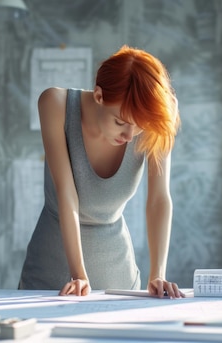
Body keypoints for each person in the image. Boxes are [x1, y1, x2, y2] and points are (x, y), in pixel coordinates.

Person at [18, 45, 183, 298]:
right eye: (120, 122)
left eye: (139, 127)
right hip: (51, 267)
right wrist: (79, 275)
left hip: (118, 270)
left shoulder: (158, 112)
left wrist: (157, 273)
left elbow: (159, 199)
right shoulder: (55, 104)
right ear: (98, 96)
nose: (130, 136)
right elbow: (67, 193)